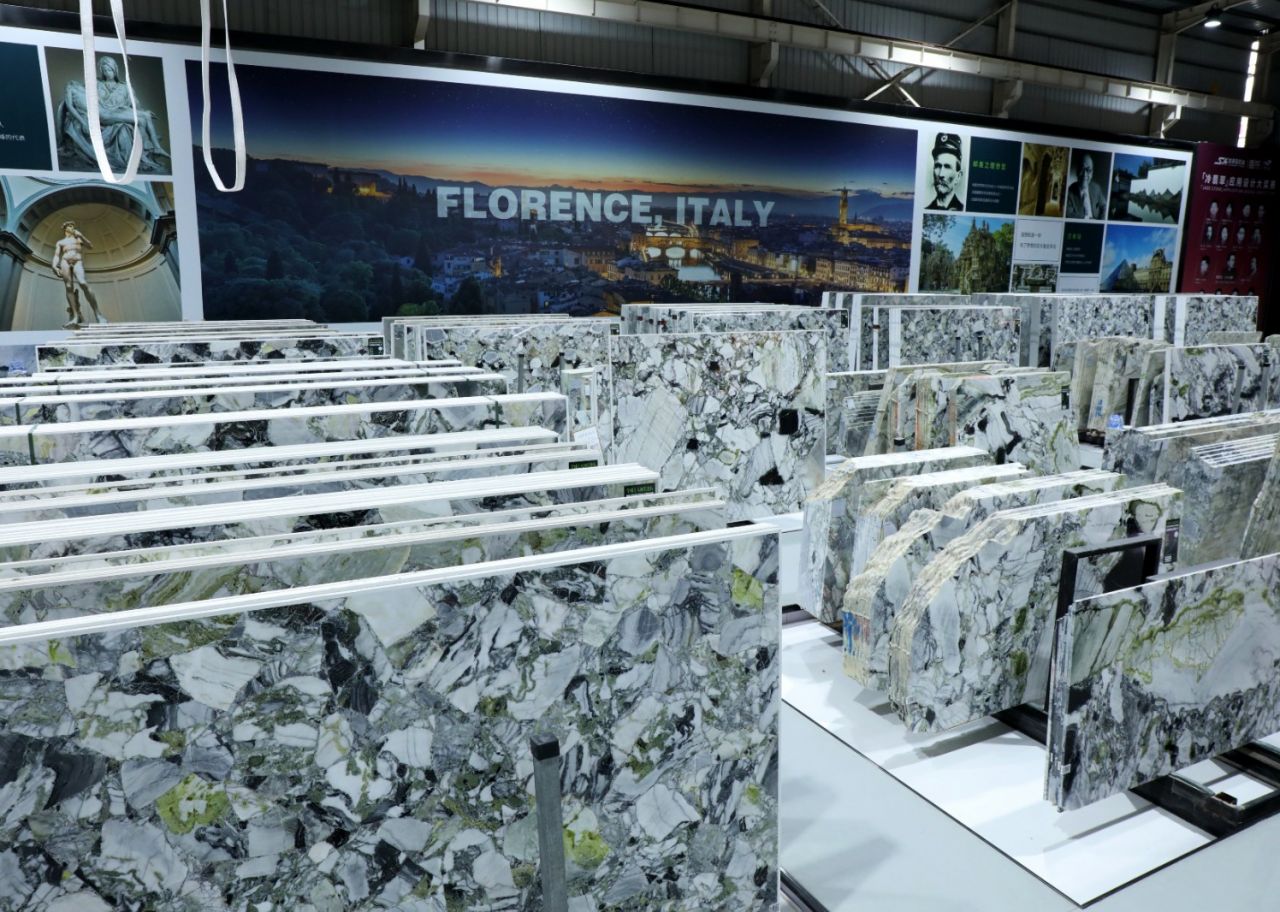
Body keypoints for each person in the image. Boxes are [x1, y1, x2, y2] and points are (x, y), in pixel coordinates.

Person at [55, 54, 170, 174]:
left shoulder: (125, 88)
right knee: (131, 125)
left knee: (144, 116)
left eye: (109, 70)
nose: (107, 73)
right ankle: (148, 150)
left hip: (117, 111)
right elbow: (79, 101)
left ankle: (151, 149)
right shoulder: (94, 84)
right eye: (104, 70)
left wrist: (141, 111)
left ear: (115, 70)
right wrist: (81, 118)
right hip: (105, 116)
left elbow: (135, 104)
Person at [51, 221, 104, 328]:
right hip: (65, 261)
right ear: (65, 228)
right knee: (68, 287)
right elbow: (57, 255)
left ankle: (98, 314)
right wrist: (54, 265)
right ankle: (75, 316)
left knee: (83, 283)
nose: (72, 227)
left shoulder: (78, 239)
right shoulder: (61, 242)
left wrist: (81, 236)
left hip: (77, 261)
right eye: (70, 226)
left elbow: (90, 246)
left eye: (72, 226)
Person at [926, 133, 964, 211]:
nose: (941, 174)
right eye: (937, 166)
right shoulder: (927, 209)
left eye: (947, 167)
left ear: (958, 176)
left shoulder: (962, 209)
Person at [1065, 152, 1104, 219]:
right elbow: (1069, 215)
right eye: (1082, 169)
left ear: (1092, 173)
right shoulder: (1069, 192)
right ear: (1077, 171)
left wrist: (1101, 222)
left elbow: (1104, 206)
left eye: (1088, 170)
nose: (1085, 174)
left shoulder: (1097, 188)